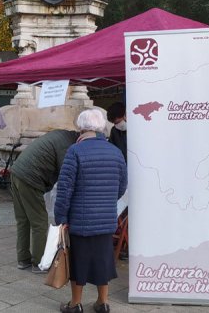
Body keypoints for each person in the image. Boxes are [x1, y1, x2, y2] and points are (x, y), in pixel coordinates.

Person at [55, 109, 127, 313]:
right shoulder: (115, 151)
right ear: (102, 127)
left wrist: (61, 217)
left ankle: (75, 304)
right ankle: (102, 303)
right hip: (105, 219)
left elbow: (65, 189)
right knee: (104, 260)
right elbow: (122, 186)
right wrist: (106, 201)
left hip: (81, 220)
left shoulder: (75, 152)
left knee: (79, 262)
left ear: (81, 128)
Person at [9, 129, 80, 273]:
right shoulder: (66, 145)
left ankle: (23, 260)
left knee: (23, 220)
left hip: (17, 172)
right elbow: (65, 173)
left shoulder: (61, 135)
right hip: (30, 178)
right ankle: (39, 262)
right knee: (39, 222)